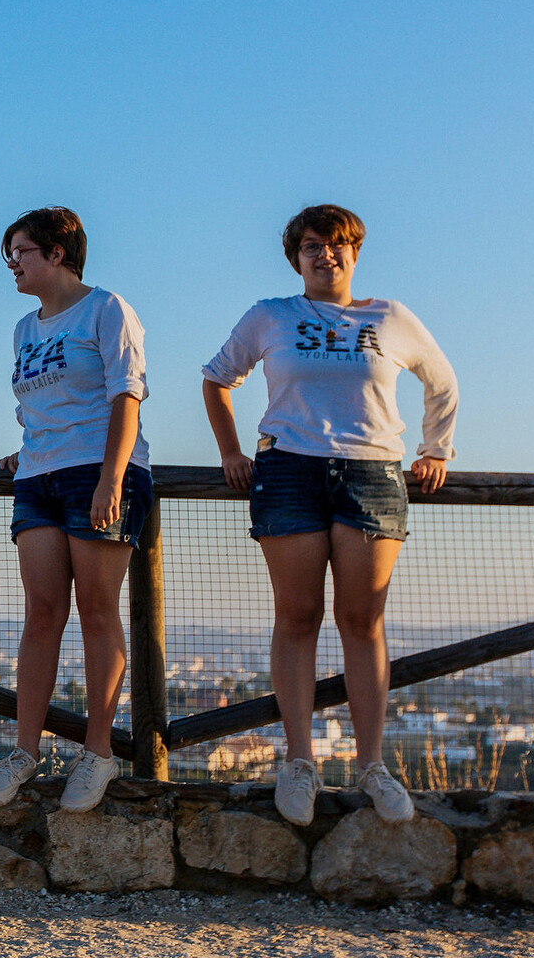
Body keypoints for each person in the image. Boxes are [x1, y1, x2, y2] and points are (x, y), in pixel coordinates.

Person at [202, 203, 457, 826]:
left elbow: (442, 381)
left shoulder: (391, 317)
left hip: (372, 474)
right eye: (313, 246)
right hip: (287, 470)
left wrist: (435, 450)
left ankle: (372, 764)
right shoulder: (270, 316)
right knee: (297, 616)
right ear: (296, 258)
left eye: (339, 244)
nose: (327, 255)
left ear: (356, 252)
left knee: (361, 618)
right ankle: (299, 762)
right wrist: (231, 452)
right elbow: (216, 379)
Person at [0, 207, 152, 811]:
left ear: (57, 254)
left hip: (98, 474)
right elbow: (40, 405)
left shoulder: (107, 309)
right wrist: (25, 450)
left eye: (22, 252)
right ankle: (25, 750)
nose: (13, 265)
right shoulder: (26, 327)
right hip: (38, 476)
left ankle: (98, 753)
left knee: (98, 612)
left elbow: (125, 396)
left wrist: (111, 478)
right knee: (42, 613)